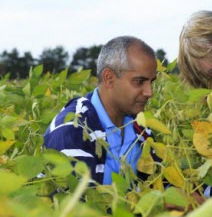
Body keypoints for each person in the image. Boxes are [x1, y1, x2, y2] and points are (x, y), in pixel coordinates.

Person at [43, 36, 158, 185]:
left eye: (151, 81)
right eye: (139, 81)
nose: (149, 92)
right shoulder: (72, 131)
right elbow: (78, 205)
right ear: (109, 78)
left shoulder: (140, 128)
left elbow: (159, 182)